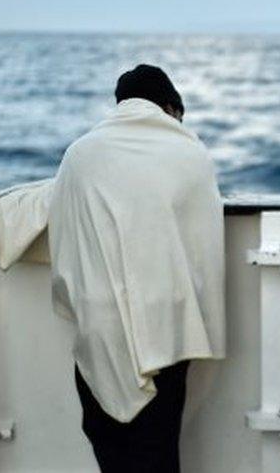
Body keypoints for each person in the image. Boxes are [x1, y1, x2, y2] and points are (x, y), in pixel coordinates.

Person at [49, 65, 226, 472]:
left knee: (109, 444)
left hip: (99, 323)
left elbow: (65, 236)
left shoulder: (80, 153)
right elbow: (202, 248)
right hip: (167, 326)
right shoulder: (189, 152)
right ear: (170, 107)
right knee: (158, 447)